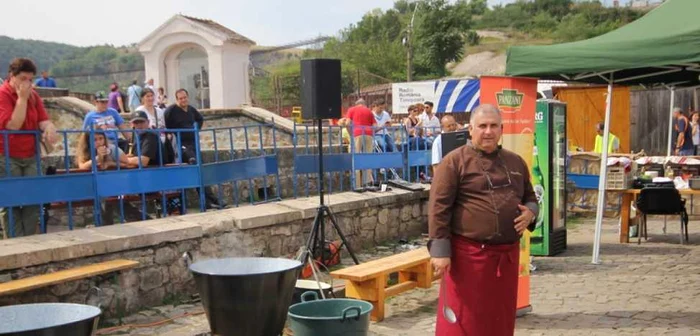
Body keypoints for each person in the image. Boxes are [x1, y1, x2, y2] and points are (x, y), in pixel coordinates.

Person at [429, 104, 538, 336]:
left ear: (502, 129)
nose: (488, 131)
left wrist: (530, 212)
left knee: (499, 318)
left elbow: (531, 198)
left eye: (493, 126)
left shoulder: (516, 162)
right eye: (482, 126)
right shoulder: (453, 162)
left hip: (506, 259)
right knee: (465, 321)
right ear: (470, 129)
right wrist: (440, 251)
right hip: (469, 258)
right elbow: (439, 208)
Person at [0, 58, 58, 238]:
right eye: (24, 78)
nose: (28, 83)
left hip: (31, 154)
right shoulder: (3, 94)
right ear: (12, 76)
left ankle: (31, 239)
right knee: (12, 201)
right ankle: (15, 242)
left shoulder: (34, 96)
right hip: (7, 155)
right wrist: (22, 99)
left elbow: (43, 119)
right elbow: (13, 124)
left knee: (32, 199)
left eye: (30, 79)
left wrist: (49, 127)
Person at [164, 89, 223, 209]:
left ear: (188, 97)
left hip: (193, 143)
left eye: (184, 97)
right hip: (181, 144)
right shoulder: (171, 110)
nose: (183, 100)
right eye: (180, 98)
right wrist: (171, 135)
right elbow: (166, 125)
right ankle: (213, 200)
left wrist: (195, 130)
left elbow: (200, 119)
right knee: (196, 166)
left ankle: (207, 202)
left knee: (200, 170)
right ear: (177, 99)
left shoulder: (191, 110)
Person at [338, 99, 376, 188]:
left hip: (357, 134)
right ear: (364, 104)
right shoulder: (369, 111)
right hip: (369, 134)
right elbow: (374, 126)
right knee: (368, 158)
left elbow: (347, 123)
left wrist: (351, 134)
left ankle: (357, 185)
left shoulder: (352, 109)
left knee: (356, 158)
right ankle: (367, 183)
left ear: (356, 104)